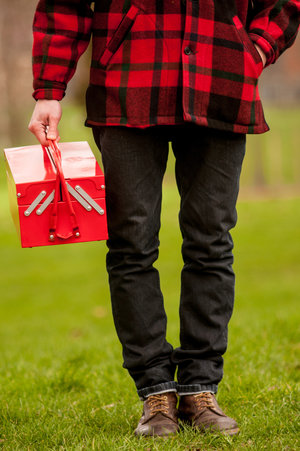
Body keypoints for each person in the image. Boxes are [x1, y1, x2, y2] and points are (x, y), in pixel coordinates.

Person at [29, 0, 299, 438]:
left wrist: (256, 49)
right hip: (128, 78)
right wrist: (48, 90)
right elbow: (65, 3)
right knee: (131, 243)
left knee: (211, 240)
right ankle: (155, 392)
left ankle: (199, 388)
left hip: (222, 77)